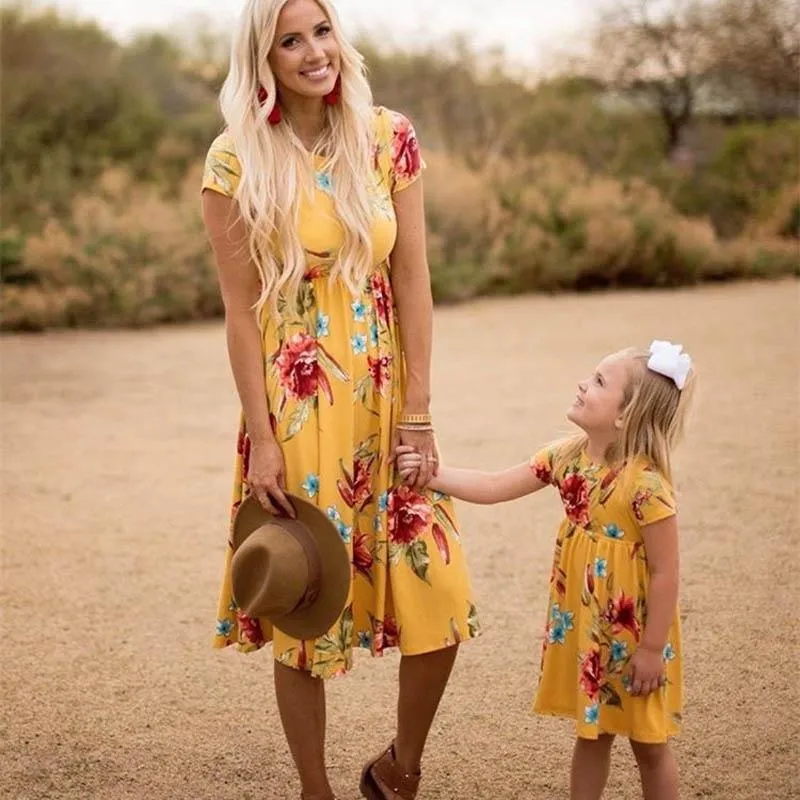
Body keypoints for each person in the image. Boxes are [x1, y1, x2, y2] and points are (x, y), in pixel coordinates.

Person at [200, 1, 480, 798]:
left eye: (321, 31)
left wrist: (420, 408)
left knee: (440, 589)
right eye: (290, 40)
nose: (313, 51)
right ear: (265, 58)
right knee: (303, 609)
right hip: (298, 414)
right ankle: (315, 788)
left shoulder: (387, 136)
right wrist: (261, 435)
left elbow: (415, 278)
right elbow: (240, 312)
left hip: (390, 406)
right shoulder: (234, 163)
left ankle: (401, 768)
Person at [397, 341, 695, 800]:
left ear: (624, 415)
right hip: (588, 627)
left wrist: (652, 648)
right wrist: (431, 474)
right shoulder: (566, 458)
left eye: (598, 381)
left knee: (649, 743)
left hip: (634, 634)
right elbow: (495, 485)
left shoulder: (647, 486)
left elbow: (665, 573)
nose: (582, 382)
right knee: (591, 732)